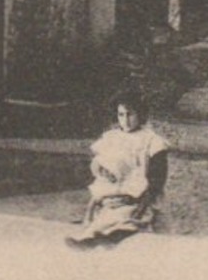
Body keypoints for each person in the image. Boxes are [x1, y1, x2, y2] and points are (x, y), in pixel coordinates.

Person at [67, 89, 169, 248]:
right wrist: (102, 172)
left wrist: (143, 197)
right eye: (121, 115)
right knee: (101, 217)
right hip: (110, 192)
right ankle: (92, 238)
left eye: (130, 114)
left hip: (136, 196)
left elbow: (157, 177)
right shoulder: (111, 137)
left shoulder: (151, 141)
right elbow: (97, 164)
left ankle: (108, 236)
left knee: (125, 218)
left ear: (140, 115)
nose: (126, 120)